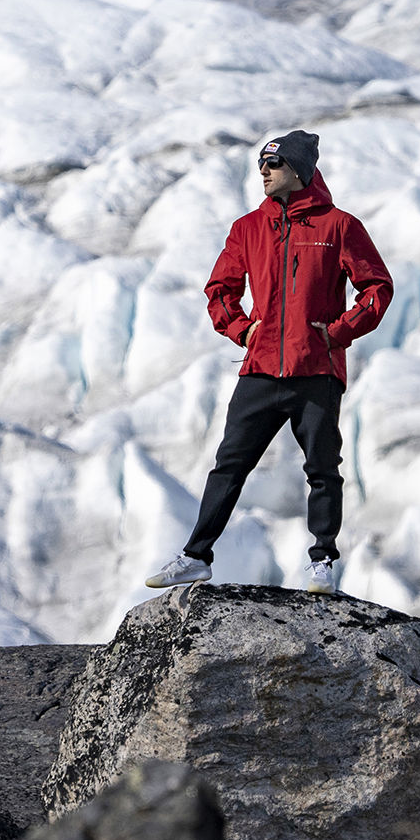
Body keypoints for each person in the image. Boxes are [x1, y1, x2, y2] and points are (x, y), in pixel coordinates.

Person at [146, 130, 394, 595]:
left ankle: (322, 563)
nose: (263, 171)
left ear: (298, 171)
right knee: (229, 466)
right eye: (261, 164)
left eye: (273, 164)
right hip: (260, 369)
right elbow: (219, 290)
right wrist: (242, 330)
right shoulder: (247, 228)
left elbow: (377, 288)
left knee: (323, 468)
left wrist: (339, 332)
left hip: (316, 370)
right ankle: (196, 557)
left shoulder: (339, 227)